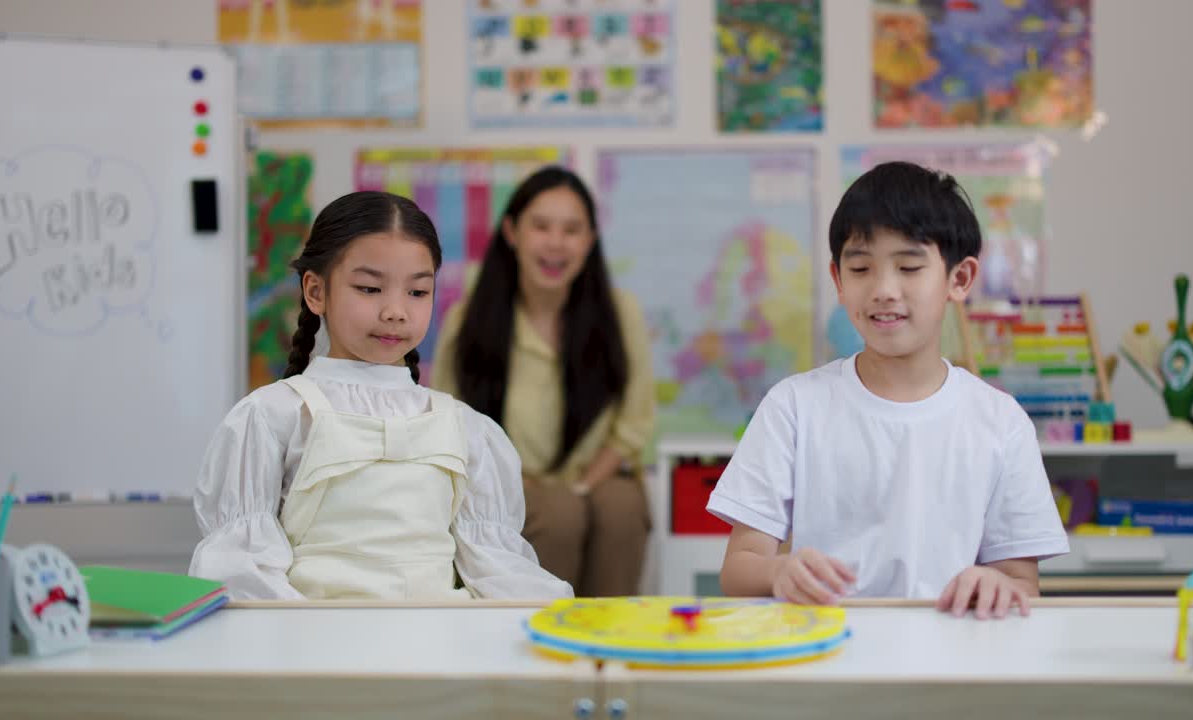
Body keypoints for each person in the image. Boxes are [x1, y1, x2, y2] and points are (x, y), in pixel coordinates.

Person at [709, 161, 1069, 619]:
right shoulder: (794, 406)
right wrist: (778, 572)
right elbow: (738, 568)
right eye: (861, 268)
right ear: (839, 280)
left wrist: (996, 582)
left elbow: (1023, 583)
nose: (883, 289)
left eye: (909, 267)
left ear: (958, 279)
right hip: (829, 654)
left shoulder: (1000, 420)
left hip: (954, 659)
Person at [189, 191, 571, 600]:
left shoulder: (466, 428)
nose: (396, 311)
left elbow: (499, 566)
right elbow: (242, 571)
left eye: (417, 292)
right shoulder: (272, 416)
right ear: (315, 292)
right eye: (370, 289)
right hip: (317, 650)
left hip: (436, 651)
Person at [431, 166, 655, 597]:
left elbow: (633, 424)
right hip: (509, 487)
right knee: (559, 513)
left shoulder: (620, 313)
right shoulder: (469, 320)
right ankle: (540, 647)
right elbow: (451, 423)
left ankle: (610, 645)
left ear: (590, 241)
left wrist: (584, 484)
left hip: (596, 477)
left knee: (622, 506)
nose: (556, 242)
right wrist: (520, 485)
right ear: (512, 232)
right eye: (541, 226)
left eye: (572, 230)